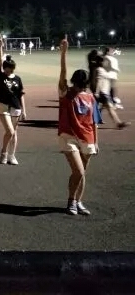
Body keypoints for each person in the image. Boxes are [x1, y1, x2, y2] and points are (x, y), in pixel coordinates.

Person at [57, 36, 100, 216]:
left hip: (87, 138)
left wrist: (96, 142)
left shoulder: (90, 97)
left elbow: (94, 121)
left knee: (82, 173)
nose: (78, 86)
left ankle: (78, 201)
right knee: (79, 171)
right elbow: (62, 74)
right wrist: (64, 53)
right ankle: (71, 201)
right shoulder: (66, 94)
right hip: (68, 137)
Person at [0, 34, 27, 165]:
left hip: (16, 107)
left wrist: (24, 110)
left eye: (9, 69)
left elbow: (21, 95)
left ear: (13, 68)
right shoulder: (0, 76)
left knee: (14, 133)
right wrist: (0, 47)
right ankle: (4, 152)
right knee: (10, 131)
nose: (7, 71)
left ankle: (12, 155)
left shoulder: (18, 79)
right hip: (3, 106)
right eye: (6, 69)